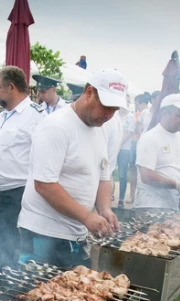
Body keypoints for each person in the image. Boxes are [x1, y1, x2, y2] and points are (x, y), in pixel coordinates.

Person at [18, 68, 126, 268]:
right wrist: (86, 216)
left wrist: (104, 209)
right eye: (106, 106)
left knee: (76, 294)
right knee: (38, 295)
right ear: (89, 92)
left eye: (115, 110)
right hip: (45, 233)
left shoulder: (99, 130)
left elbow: (103, 175)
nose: (109, 115)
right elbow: (44, 185)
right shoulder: (57, 126)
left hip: (75, 234)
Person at [0, 66, 44, 270]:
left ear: (12, 87)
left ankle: (7, 292)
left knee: (8, 251)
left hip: (14, 197)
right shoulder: (1, 117)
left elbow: (43, 160)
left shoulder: (36, 116)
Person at [134, 94, 180, 212]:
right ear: (164, 113)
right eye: (179, 115)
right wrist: (176, 185)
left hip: (173, 204)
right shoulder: (150, 138)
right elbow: (146, 176)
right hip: (151, 205)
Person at [116, 100, 137, 208]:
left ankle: (121, 199)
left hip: (124, 149)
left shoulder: (131, 117)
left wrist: (118, 144)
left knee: (122, 175)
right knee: (107, 173)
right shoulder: (115, 114)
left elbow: (129, 132)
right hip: (112, 148)